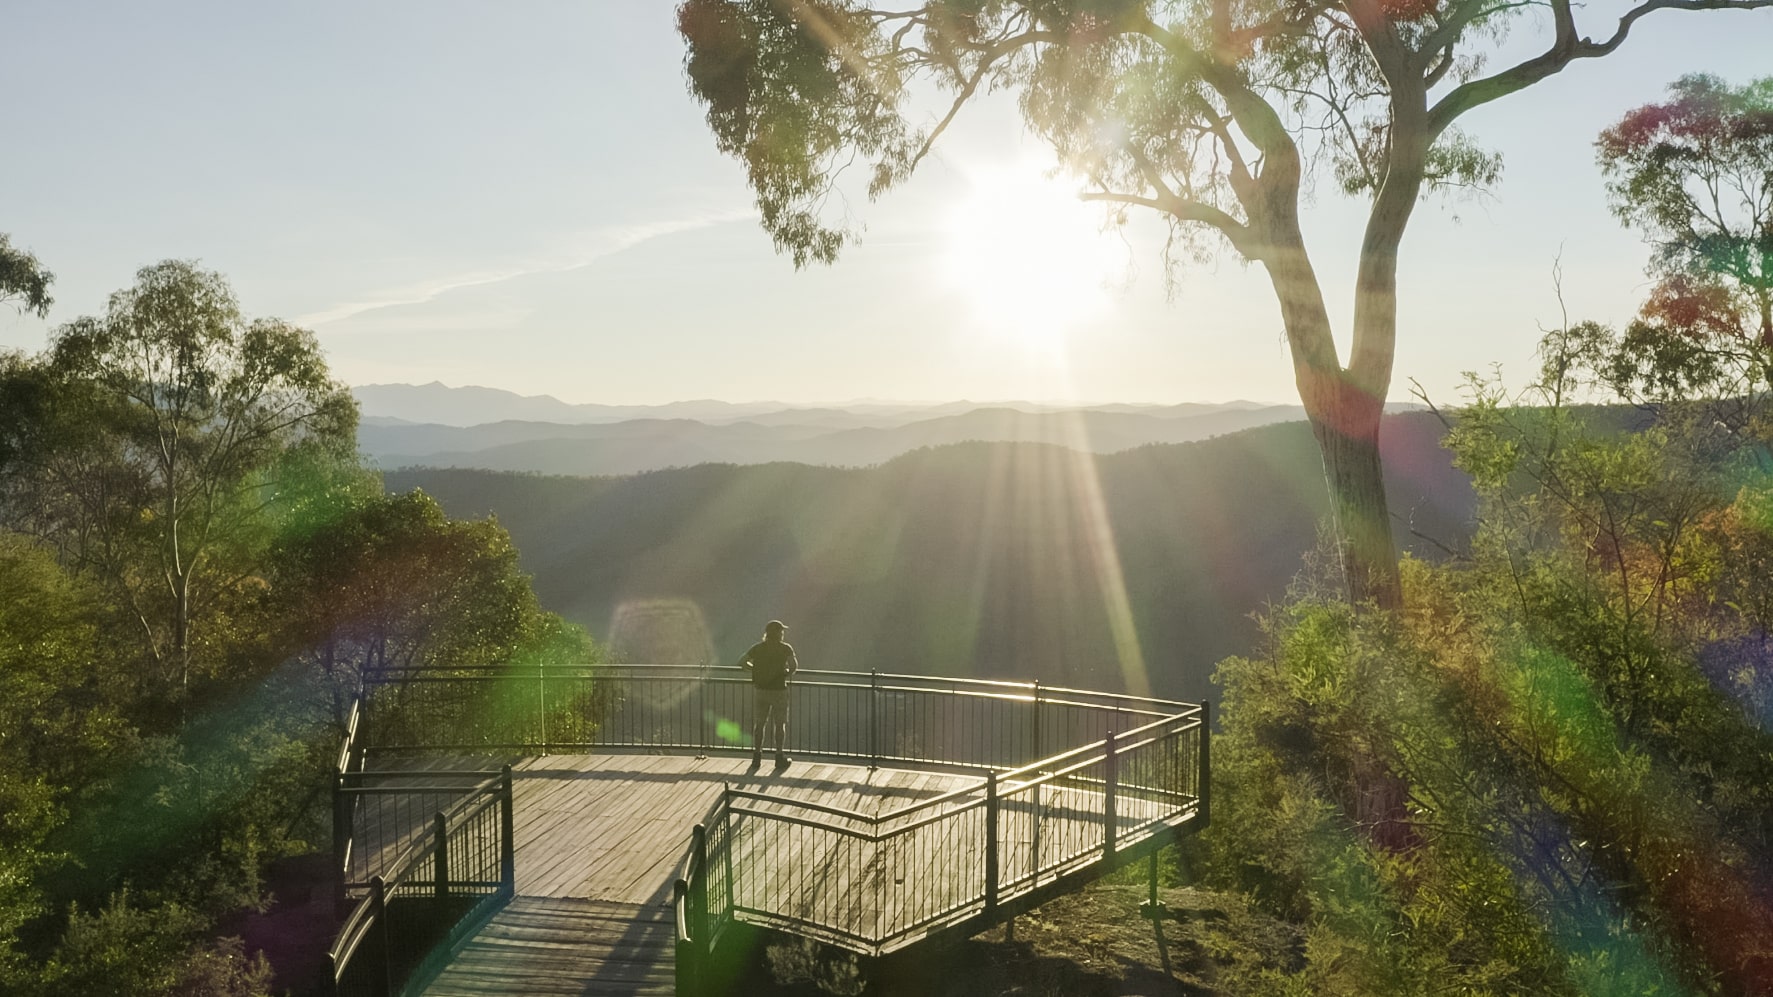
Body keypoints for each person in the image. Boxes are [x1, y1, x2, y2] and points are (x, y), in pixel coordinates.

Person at [737, 619, 798, 767]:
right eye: (781, 631)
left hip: (761, 690)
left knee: (759, 724)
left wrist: (754, 669)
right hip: (779, 691)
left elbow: (741, 661)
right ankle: (779, 756)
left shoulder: (758, 648)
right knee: (779, 724)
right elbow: (794, 666)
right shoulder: (785, 648)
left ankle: (757, 757)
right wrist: (784, 674)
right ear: (779, 633)